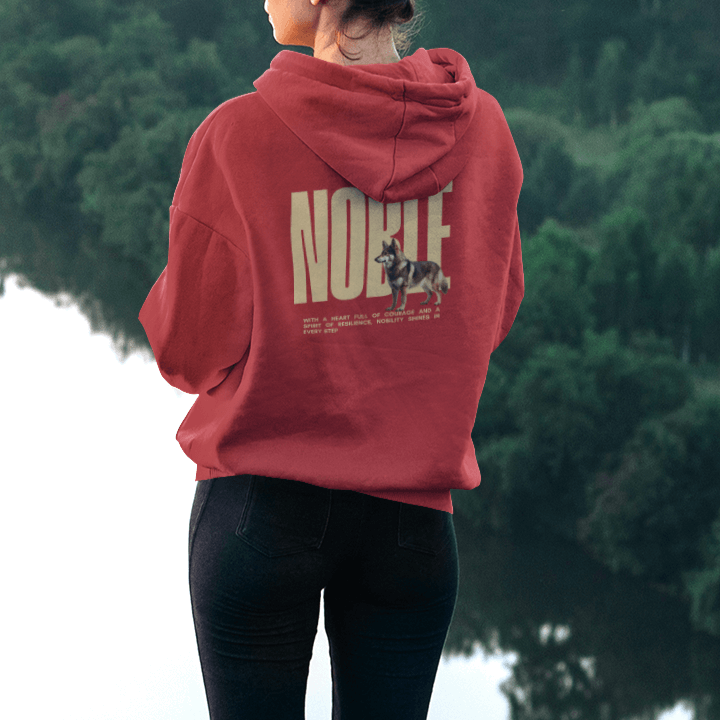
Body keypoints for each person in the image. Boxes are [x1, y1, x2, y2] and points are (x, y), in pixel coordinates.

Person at [138, 0, 524, 717]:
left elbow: (188, 351)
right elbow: (488, 314)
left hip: (260, 516)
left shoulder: (236, 137)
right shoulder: (485, 133)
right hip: (410, 528)